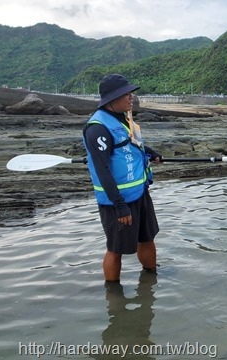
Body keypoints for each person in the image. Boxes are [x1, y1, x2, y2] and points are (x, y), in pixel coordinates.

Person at [83, 74, 162, 283]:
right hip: (117, 200)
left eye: (130, 94)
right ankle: (113, 294)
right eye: (125, 94)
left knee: (147, 238)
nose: (131, 98)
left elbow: (131, 144)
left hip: (140, 192)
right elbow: (102, 169)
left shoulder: (124, 118)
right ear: (111, 99)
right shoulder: (98, 127)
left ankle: (151, 279)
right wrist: (119, 205)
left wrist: (151, 152)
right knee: (115, 249)